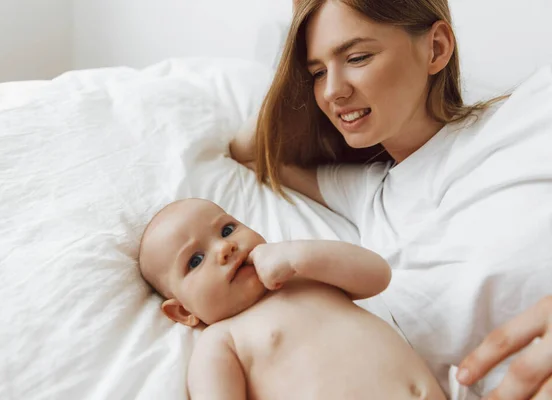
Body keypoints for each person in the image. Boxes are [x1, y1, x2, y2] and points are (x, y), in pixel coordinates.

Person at [230, 0, 552, 398]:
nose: (332, 90)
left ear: (435, 48)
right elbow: (250, 149)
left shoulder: (533, 113)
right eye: (316, 73)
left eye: (358, 56)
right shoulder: (368, 195)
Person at [138, 198, 446, 399]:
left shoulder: (304, 274)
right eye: (195, 260)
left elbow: (378, 274)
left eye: (227, 229)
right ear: (182, 312)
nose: (225, 248)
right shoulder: (221, 340)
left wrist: (298, 256)